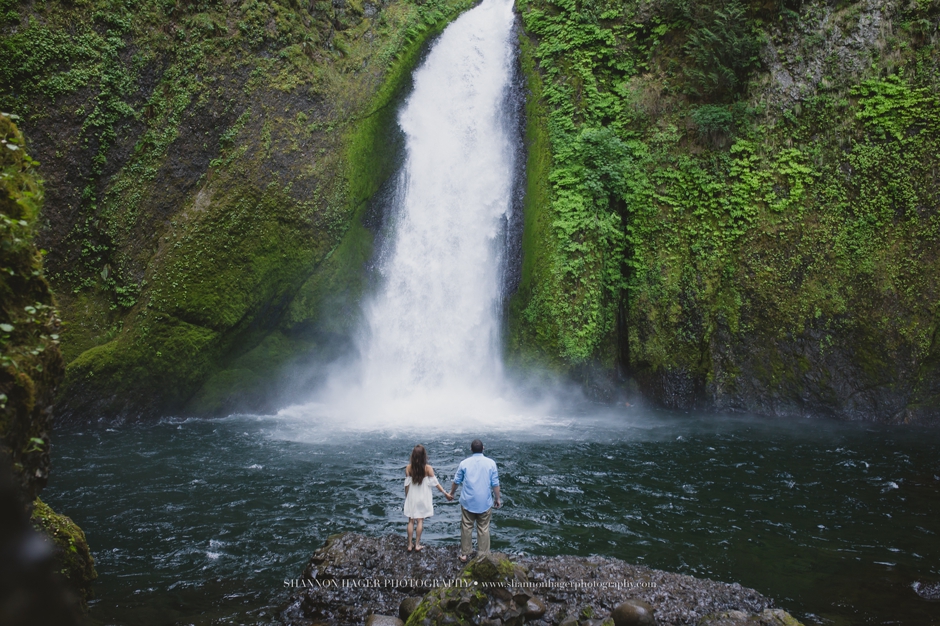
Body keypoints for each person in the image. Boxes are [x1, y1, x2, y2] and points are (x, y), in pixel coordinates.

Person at [448, 439, 500, 562]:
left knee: (466, 526)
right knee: (483, 528)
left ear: (471, 449)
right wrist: (497, 498)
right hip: (484, 502)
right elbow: (495, 483)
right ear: (483, 448)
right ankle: (483, 555)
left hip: (468, 501)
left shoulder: (464, 463)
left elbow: (457, 481)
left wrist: (451, 493)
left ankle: (465, 554)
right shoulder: (491, 463)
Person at [403, 444, 452, 552]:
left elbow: (406, 484)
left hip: (412, 495)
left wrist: (407, 496)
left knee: (411, 520)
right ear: (424, 456)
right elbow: (436, 483)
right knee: (420, 520)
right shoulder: (428, 468)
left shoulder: (408, 468)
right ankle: (417, 544)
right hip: (423, 496)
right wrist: (445, 493)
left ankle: (409, 545)